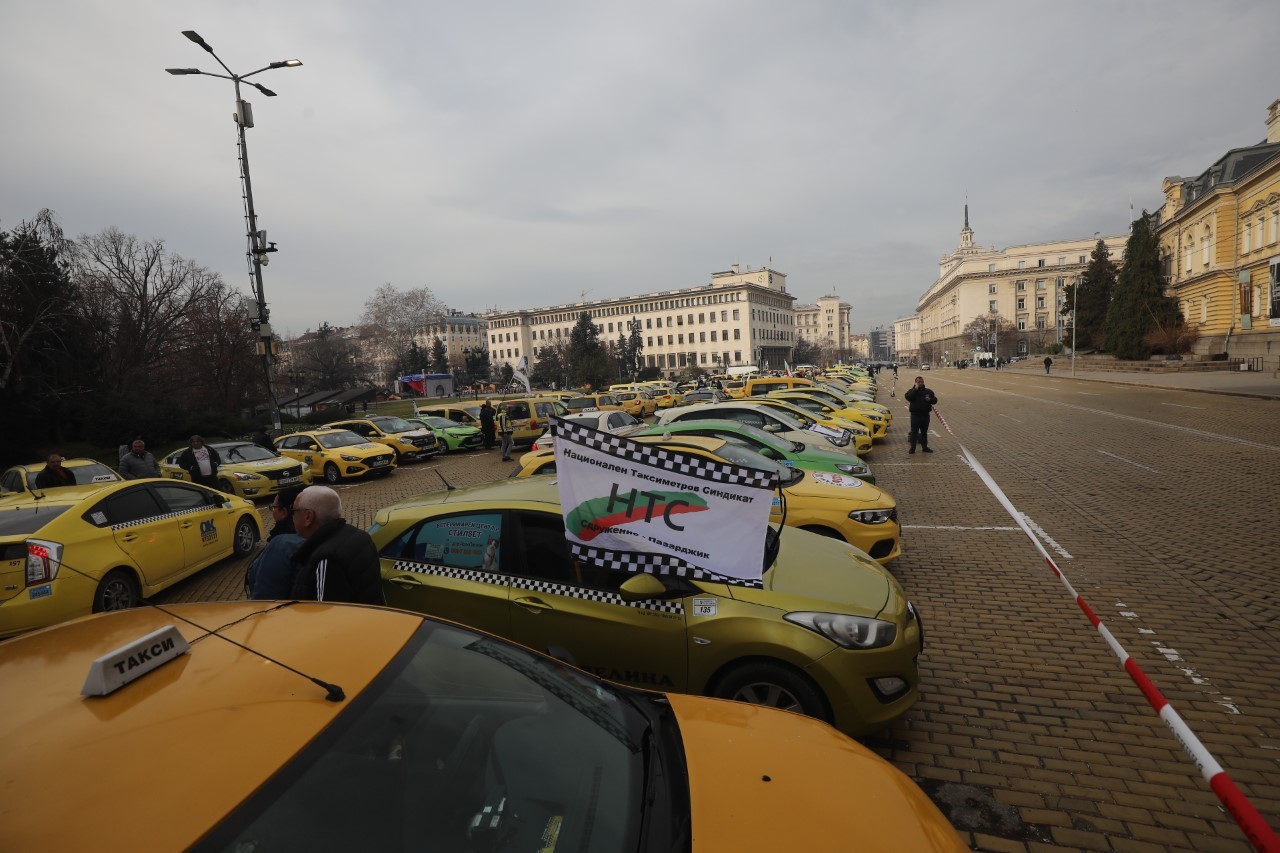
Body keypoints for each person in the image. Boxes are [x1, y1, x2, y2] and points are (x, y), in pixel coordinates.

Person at [288, 485, 385, 604]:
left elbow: (324, 612)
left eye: (294, 510)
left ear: (308, 517)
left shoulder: (326, 559)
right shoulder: (360, 536)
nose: (292, 515)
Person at [245, 485, 306, 599]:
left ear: (283, 512)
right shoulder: (312, 534)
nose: (272, 511)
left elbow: (264, 597)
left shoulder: (280, 544)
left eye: (273, 507)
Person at [904, 376, 938, 454]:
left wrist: (930, 400)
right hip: (915, 415)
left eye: (921, 382)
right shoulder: (911, 391)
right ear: (915, 383)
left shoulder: (928, 391)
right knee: (914, 432)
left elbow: (935, 400)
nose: (920, 383)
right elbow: (908, 397)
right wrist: (915, 389)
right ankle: (912, 448)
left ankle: (925, 447)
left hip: (925, 415)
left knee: (924, 432)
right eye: (918, 382)